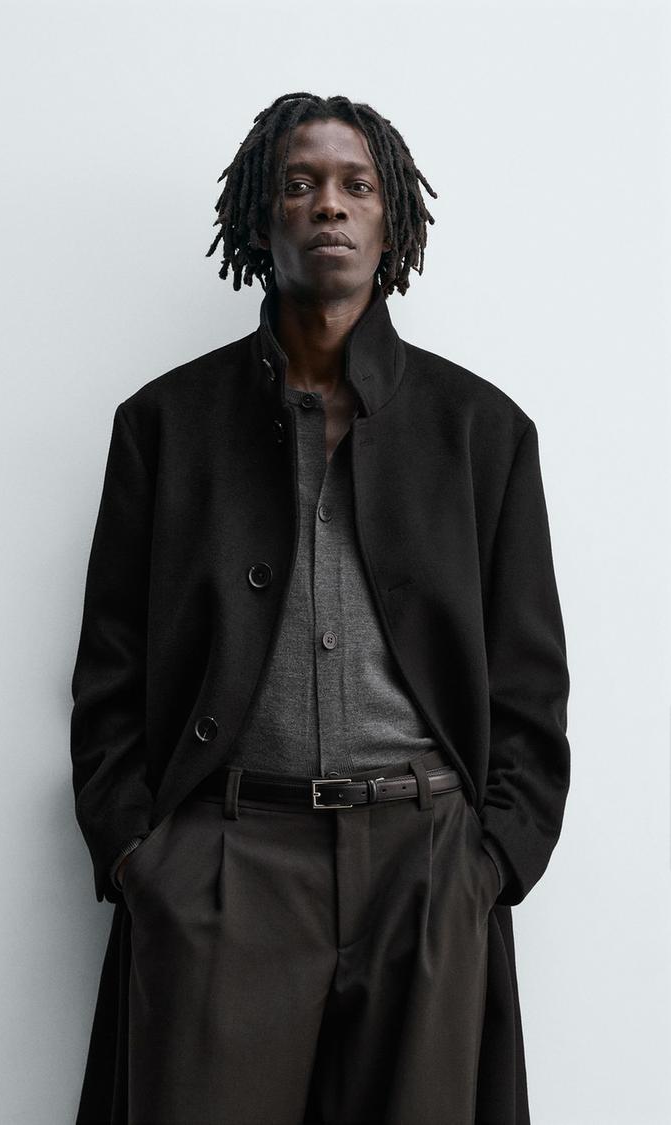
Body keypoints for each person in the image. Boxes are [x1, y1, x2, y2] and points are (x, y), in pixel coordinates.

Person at [70, 91, 570, 1125]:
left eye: (357, 186)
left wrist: (492, 861)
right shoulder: (163, 426)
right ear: (262, 218)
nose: (329, 205)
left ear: (392, 225)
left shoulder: (483, 432)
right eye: (300, 184)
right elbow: (108, 677)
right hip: (224, 863)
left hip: (426, 864)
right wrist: (139, 856)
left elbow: (531, 684)